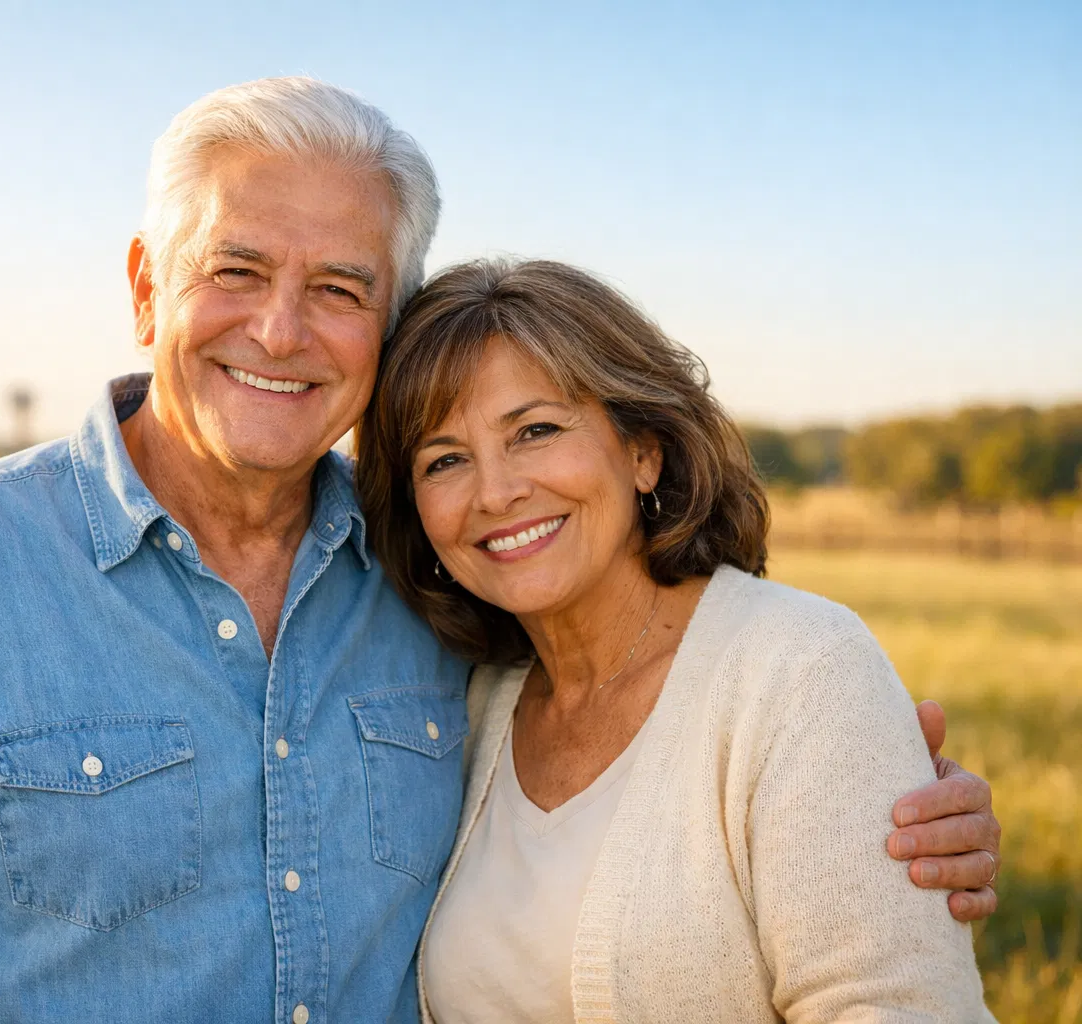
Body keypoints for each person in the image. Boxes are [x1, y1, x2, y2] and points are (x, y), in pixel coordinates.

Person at [0, 79, 999, 1023]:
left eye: (339, 288)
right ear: (148, 286)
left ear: (385, 326)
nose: (280, 330)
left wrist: (862, 805)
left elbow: (658, 753)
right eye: (238, 270)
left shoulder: (433, 589)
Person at [356, 258, 997, 1022]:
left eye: (535, 430)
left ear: (643, 451)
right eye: (445, 460)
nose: (495, 492)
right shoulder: (469, 702)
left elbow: (895, 1005)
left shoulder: (803, 671)